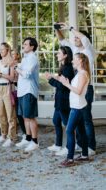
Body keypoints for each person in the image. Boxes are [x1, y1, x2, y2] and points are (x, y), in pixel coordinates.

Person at [56, 23, 96, 155]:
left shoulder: (87, 50)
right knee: (78, 121)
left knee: (86, 120)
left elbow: (84, 39)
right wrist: (57, 29)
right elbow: (62, 40)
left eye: (77, 38)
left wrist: (70, 28)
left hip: (86, 89)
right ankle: (80, 144)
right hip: (75, 87)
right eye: (74, 38)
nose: (75, 39)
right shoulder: (74, 50)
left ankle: (91, 147)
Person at [58, 53, 90, 167]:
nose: (72, 61)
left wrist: (66, 84)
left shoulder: (82, 74)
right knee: (81, 131)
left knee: (69, 131)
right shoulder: (80, 73)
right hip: (78, 106)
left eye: (74, 59)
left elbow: (79, 91)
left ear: (80, 61)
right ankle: (85, 155)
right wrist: (65, 82)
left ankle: (70, 159)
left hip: (77, 108)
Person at [45, 46, 75, 155]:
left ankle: (68, 147)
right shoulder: (62, 67)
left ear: (65, 55)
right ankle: (58, 145)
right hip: (59, 100)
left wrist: (50, 79)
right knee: (56, 121)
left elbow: (63, 86)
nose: (57, 55)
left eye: (59, 53)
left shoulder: (68, 68)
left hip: (64, 101)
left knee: (67, 125)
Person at [15, 37, 40, 152]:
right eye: (23, 44)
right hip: (22, 91)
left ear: (32, 47)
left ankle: (35, 142)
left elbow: (28, 74)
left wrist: (16, 68)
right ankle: (28, 138)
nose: (23, 46)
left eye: (25, 44)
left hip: (29, 91)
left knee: (30, 117)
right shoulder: (25, 58)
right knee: (25, 117)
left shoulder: (33, 58)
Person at [0, 43, 17, 147]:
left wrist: (1, 74)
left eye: (3, 49)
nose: (1, 51)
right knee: (0, 113)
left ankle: (11, 138)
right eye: (0, 49)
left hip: (7, 87)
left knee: (10, 114)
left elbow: (12, 78)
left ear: (7, 49)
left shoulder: (11, 62)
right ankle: (3, 135)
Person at [11, 49, 26, 137]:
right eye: (11, 54)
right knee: (13, 112)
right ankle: (15, 131)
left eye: (14, 54)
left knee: (19, 112)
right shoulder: (9, 65)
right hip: (11, 89)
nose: (12, 56)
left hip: (19, 89)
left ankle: (25, 132)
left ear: (18, 55)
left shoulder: (20, 65)